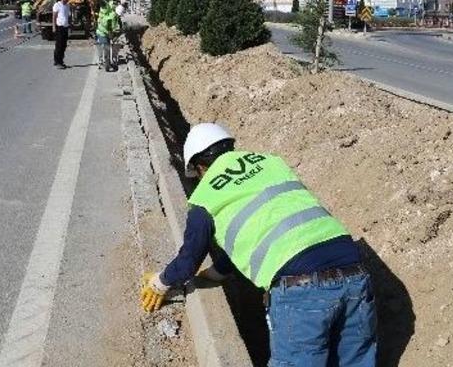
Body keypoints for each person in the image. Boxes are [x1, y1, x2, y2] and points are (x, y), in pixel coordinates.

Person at [140, 123, 377, 367]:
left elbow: (188, 261)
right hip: (356, 275)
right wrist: (216, 272)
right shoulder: (271, 163)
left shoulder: (204, 198)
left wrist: (160, 282)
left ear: (199, 167)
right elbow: (264, 233)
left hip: (302, 290)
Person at [95, 0, 121, 70]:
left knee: (104, 47)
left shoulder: (103, 11)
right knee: (107, 47)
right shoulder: (111, 14)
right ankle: (107, 62)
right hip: (105, 32)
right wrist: (115, 31)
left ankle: (104, 61)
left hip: (101, 32)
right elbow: (114, 26)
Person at [52, 0, 71, 69]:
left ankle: (60, 61)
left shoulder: (68, 5)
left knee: (64, 45)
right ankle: (57, 62)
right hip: (59, 27)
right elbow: (54, 17)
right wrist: (54, 26)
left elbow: (68, 16)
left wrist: (70, 26)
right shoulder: (57, 5)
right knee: (59, 45)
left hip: (65, 27)